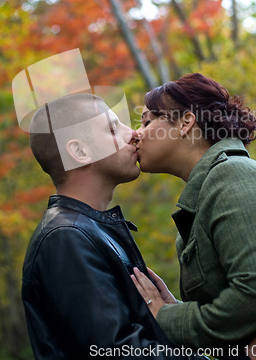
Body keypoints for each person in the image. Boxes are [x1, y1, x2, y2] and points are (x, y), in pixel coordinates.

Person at [131, 73, 256, 353]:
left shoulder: (234, 177)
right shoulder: (213, 187)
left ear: (186, 122)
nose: (137, 133)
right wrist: (177, 308)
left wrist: (168, 317)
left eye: (148, 121)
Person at [22, 92, 193, 359]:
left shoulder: (85, 231)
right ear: (79, 151)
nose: (134, 134)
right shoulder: (65, 238)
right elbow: (117, 351)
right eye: (113, 128)